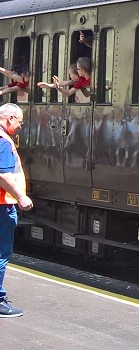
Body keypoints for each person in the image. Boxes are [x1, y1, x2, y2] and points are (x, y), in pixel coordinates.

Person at [0, 103, 32, 318]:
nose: (20, 126)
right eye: (19, 121)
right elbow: (3, 174)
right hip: (2, 206)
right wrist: (21, 196)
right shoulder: (3, 141)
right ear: (10, 118)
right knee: (1, 253)